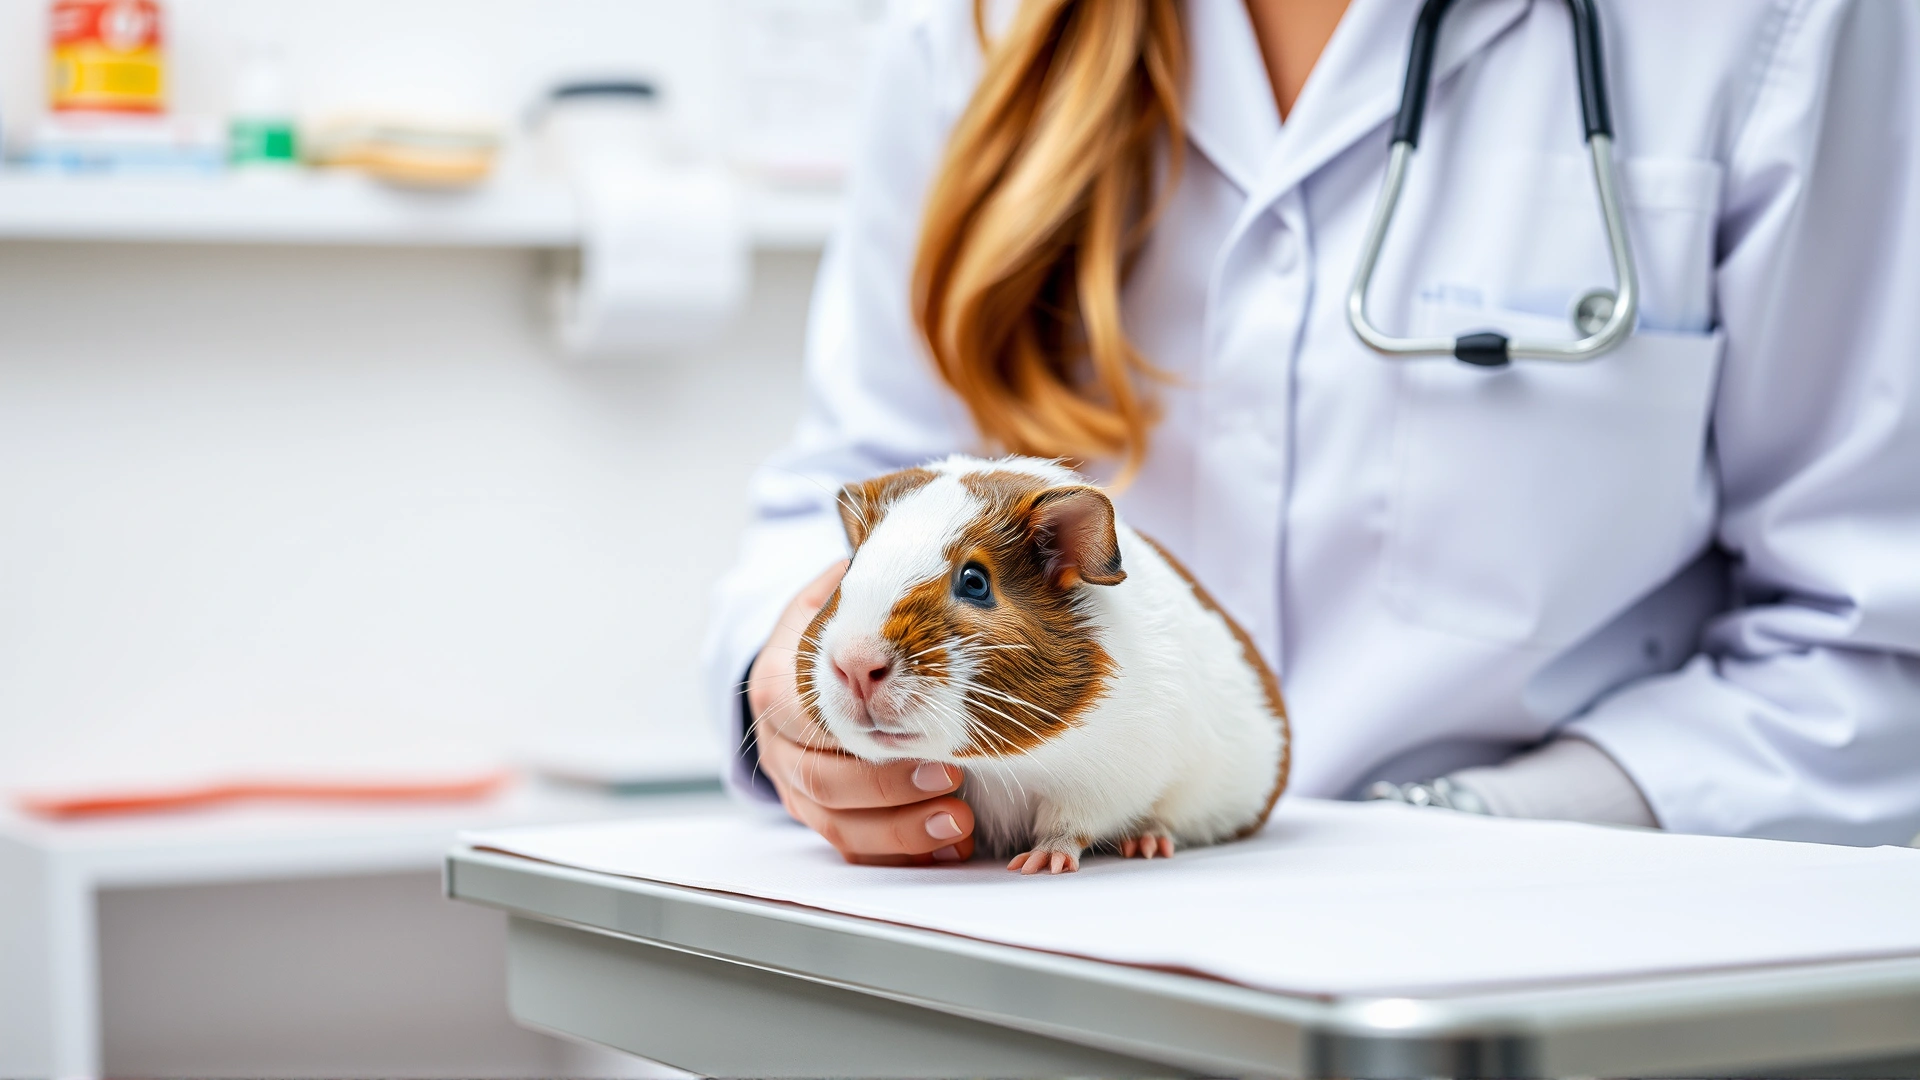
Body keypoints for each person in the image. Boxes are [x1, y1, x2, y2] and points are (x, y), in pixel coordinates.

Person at [704, 0, 1920, 864]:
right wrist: (795, 700)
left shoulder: (1785, 24)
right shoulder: (964, 33)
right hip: (1054, 942)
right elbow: (847, 486)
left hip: (1559, 948)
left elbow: (1871, 643)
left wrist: (1473, 835)